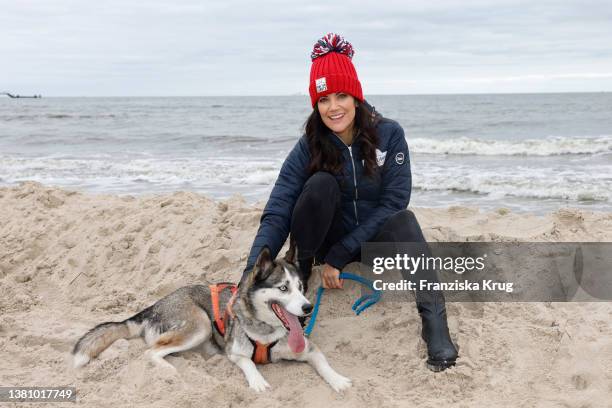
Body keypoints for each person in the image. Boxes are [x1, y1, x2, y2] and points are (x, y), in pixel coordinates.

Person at [242, 33, 458, 371]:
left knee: (404, 219)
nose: (334, 107)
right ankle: (303, 262)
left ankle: (435, 324)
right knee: (321, 184)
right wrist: (250, 272)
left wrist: (342, 256)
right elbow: (279, 207)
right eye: (324, 99)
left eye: (341, 95)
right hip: (324, 245)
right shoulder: (309, 145)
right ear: (315, 104)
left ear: (356, 96)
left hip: (370, 245)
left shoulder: (390, 134)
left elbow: (394, 201)